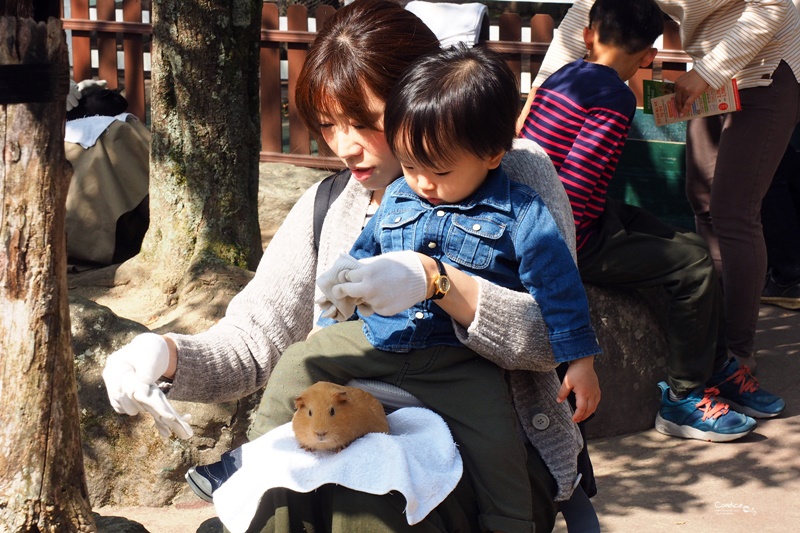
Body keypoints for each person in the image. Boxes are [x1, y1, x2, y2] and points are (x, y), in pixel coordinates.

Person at [101, 1, 594, 531]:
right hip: (343, 425)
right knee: (269, 508)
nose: (345, 148)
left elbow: (552, 339)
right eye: (330, 125)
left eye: (364, 122)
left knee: (367, 505)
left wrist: (435, 281)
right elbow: (257, 338)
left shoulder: (518, 177)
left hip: (485, 445)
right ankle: (248, 460)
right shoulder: (330, 204)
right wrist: (165, 355)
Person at [230, 43, 601, 532]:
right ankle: (250, 462)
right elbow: (359, 254)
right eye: (409, 165)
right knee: (300, 360)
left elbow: (560, 290)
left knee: (497, 446)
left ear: (493, 154)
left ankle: (510, 523)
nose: (422, 183)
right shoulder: (397, 194)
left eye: (440, 170)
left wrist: (582, 360)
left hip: (461, 360)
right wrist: (333, 311)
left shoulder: (522, 210)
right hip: (381, 339)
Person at [519, 0, 785, 442]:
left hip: (554, 215)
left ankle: (715, 364)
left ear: (587, 36)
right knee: (695, 264)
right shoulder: (615, 99)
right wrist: (585, 245)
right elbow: (578, 186)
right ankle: (683, 399)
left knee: (686, 243)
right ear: (648, 57)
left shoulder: (561, 76)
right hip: (564, 236)